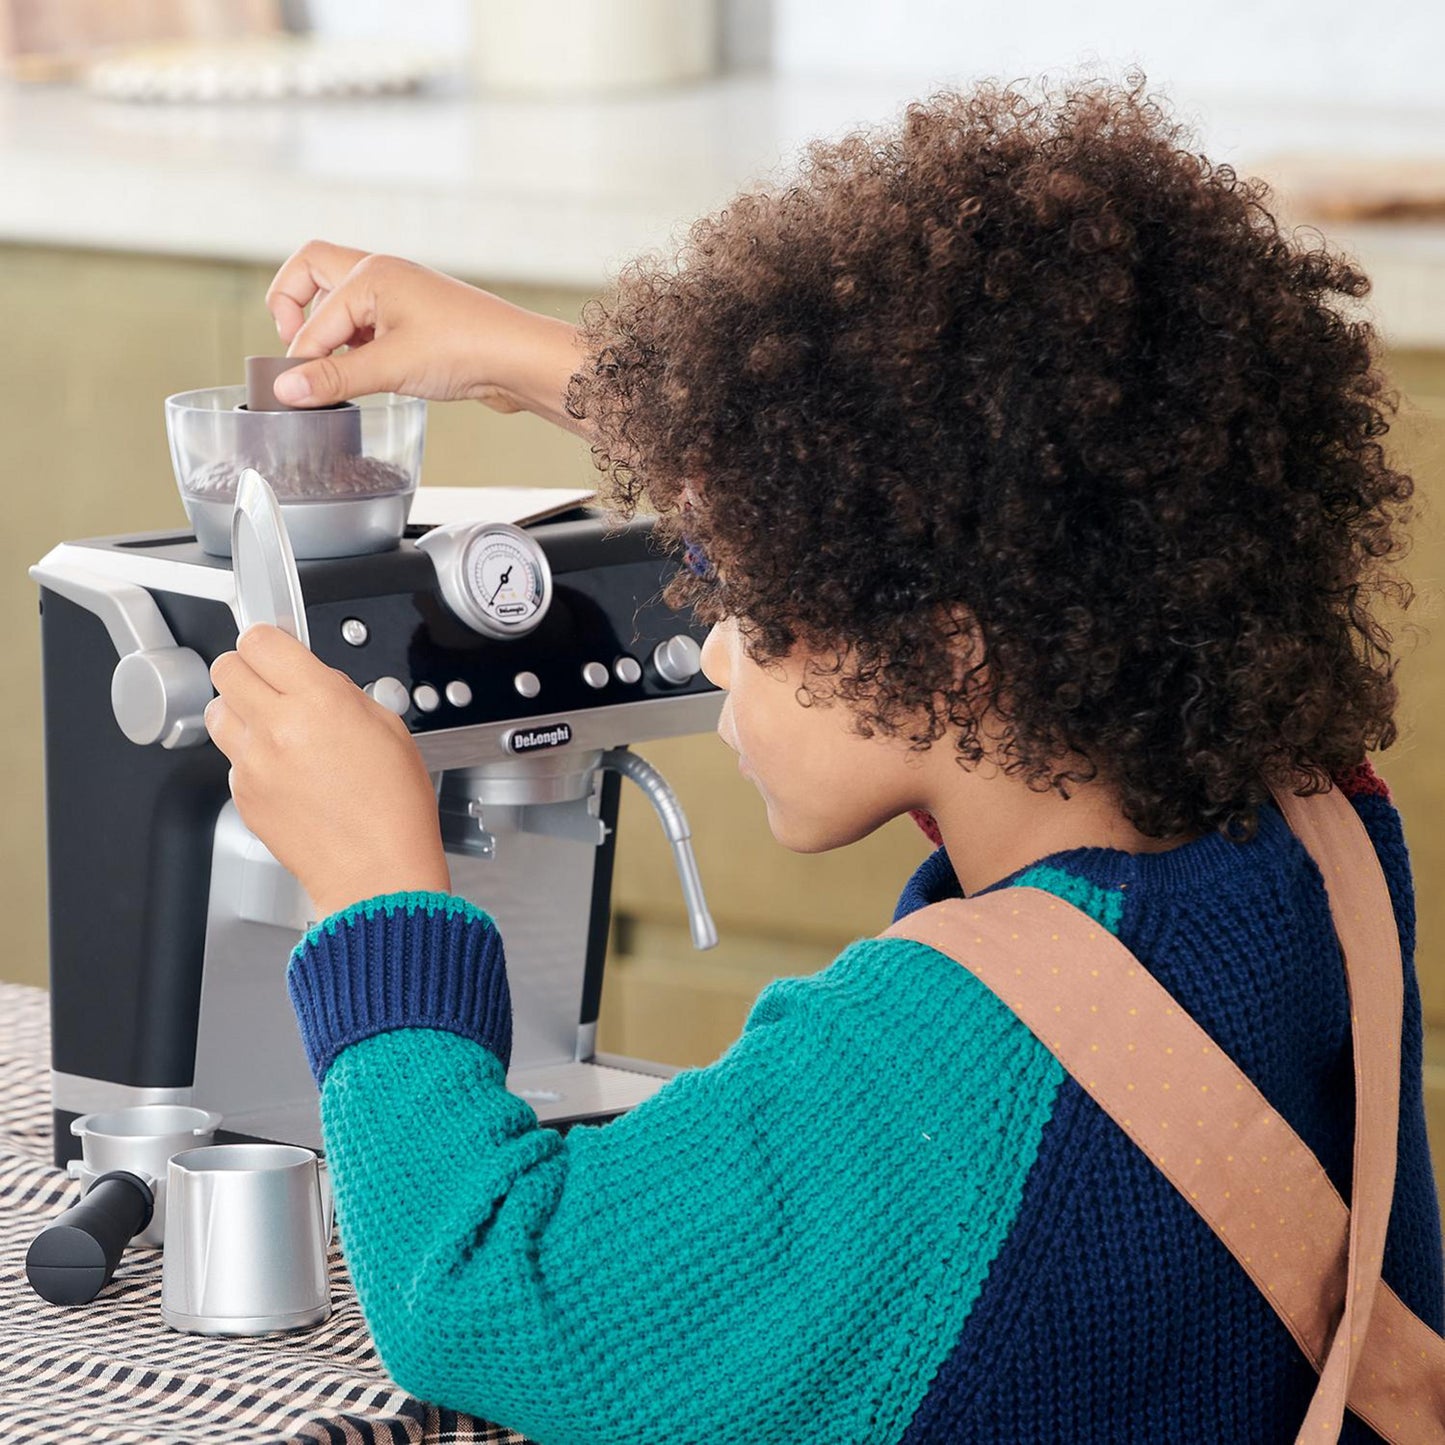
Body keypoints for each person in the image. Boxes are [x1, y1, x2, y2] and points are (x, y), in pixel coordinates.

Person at [204, 79, 1444, 1443]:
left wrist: (377, 884)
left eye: (757, 599)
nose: (719, 649)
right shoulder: (1315, 827)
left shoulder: (923, 1064)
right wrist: (523, 357)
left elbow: (482, 1291)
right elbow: (971, 477)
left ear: (953, 647)